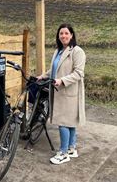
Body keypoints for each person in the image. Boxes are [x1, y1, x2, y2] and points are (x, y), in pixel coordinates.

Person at [37, 23, 86, 165]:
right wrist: (43, 76)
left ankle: (63, 153)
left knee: (63, 122)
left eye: (66, 33)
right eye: (61, 33)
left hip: (69, 92)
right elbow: (54, 69)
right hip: (58, 91)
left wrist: (62, 81)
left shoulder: (77, 51)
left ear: (71, 35)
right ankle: (71, 148)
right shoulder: (58, 51)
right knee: (69, 122)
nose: (63, 36)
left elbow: (79, 73)